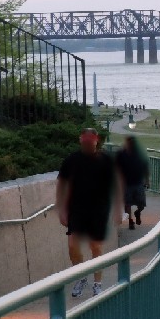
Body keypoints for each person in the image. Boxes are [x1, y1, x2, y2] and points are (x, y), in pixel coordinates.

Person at [56, 128, 122, 298]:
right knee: (72, 246)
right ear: (80, 140)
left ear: (96, 141)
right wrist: (61, 209)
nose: (87, 144)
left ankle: (97, 284)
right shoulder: (72, 160)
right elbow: (61, 184)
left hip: (98, 209)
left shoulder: (106, 160)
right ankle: (81, 277)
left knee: (95, 246)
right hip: (77, 209)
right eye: (84, 141)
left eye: (90, 142)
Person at [115, 136, 150, 230]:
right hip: (126, 184)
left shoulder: (140, 153)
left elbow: (145, 167)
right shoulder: (121, 154)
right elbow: (116, 168)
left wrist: (147, 180)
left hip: (138, 182)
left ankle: (138, 212)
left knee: (141, 204)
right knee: (127, 203)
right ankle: (131, 221)